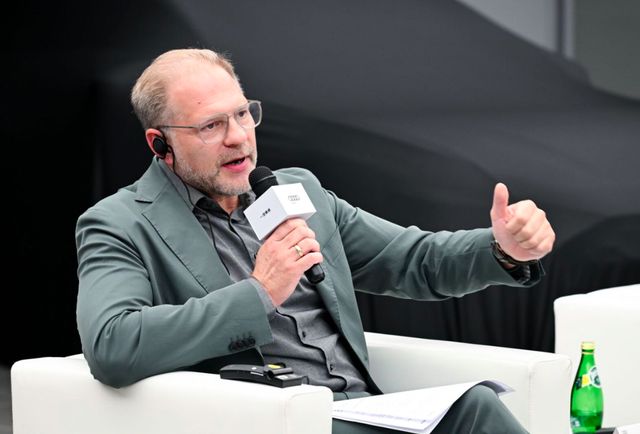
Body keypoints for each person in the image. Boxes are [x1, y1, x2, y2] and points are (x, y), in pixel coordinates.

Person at [75, 48, 555, 433]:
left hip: (364, 411)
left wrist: (503, 249)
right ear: (160, 144)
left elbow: (414, 260)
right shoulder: (120, 223)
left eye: (242, 114)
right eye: (211, 126)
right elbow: (113, 344)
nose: (238, 137)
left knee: (475, 406)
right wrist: (260, 293)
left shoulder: (297, 191)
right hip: (275, 420)